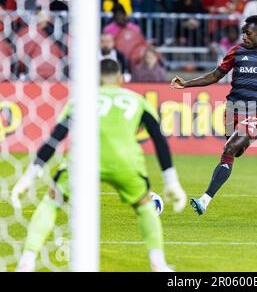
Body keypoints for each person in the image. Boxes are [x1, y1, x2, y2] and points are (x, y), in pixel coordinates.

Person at [11, 59, 187, 272]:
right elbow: (158, 139)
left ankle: (27, 261)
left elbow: (55, 138)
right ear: (121, 79)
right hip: (124, 161)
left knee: (52, 201)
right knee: (144, 206)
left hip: (84, 160)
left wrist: (29, 176)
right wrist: (171, 181)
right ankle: (158, 263)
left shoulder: (83, 99)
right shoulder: (136, 99)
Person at [170, 15, 257, 215]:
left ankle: (204, 200)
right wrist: (187, 83)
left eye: (248, 33)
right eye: (243, 33)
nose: (244, 37)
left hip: (256, 110)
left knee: (229, 149)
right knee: (236, 150)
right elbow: (214, 75)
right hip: (233, 109)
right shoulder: (236, 52)